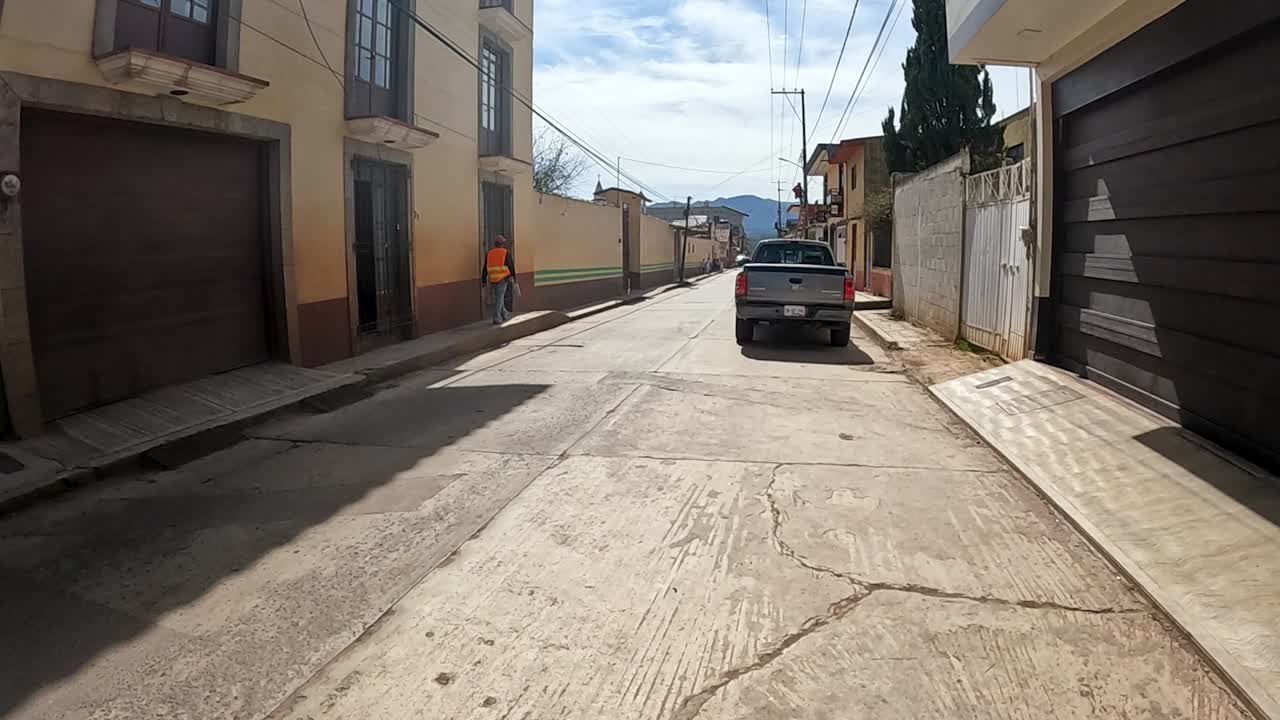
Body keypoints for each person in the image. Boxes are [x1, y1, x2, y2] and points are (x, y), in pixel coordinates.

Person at [482, 235, 517, 325]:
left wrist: (483, 280)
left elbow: (485, 267)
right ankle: (497, 317)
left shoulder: (489, 253)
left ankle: (504, 313)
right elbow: (511, 265)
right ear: (502, 244)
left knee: (498, 297)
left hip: (492, 278)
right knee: (499, 298)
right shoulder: (505, 252)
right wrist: (514, 277)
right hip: (502, 278)